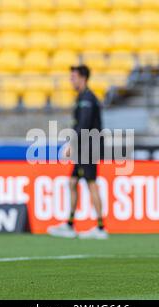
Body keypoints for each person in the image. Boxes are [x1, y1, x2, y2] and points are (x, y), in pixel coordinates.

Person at [47, 65, 108, 240]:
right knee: (73, 183)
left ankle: (101, 227)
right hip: (84, 146)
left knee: (91, 183)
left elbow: (85, 125)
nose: (70, 80)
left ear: (83, 78)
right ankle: (69, 225)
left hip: (88, 147)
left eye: (73, 77)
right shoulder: (83, 97)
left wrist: (71, 144)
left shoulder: (87, 98)